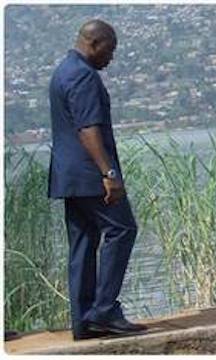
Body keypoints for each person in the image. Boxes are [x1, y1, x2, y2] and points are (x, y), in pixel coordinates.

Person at [48, 19, 148, 340]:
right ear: (95, 43)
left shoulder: (63, 70)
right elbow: (88, 130)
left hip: (70, 178)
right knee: (122, 230)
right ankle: (104, 311)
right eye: (111, 49)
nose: (112, 57)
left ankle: (84, 320)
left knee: (83, 244)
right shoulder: (83, 76)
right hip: (92, 176)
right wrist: (110, 174)